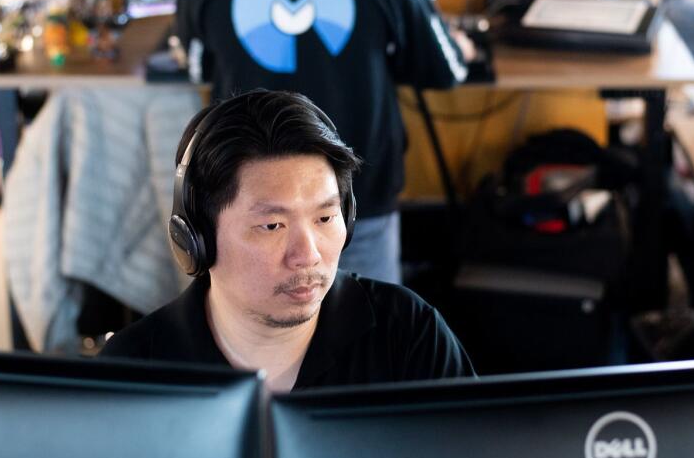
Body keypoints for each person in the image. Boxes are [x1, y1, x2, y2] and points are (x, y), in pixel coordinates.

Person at [173, 0, 476, 285]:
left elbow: (197, 65)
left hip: (247, 207)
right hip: (355, 203)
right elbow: (445, 69)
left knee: (262, 338)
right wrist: (458, 45)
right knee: (368, 339)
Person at [100, 90, 475, 392]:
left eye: (325, 218)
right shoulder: (134, 368)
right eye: (272, 226)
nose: (308, 255)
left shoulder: (408, 334)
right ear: (195, 236)